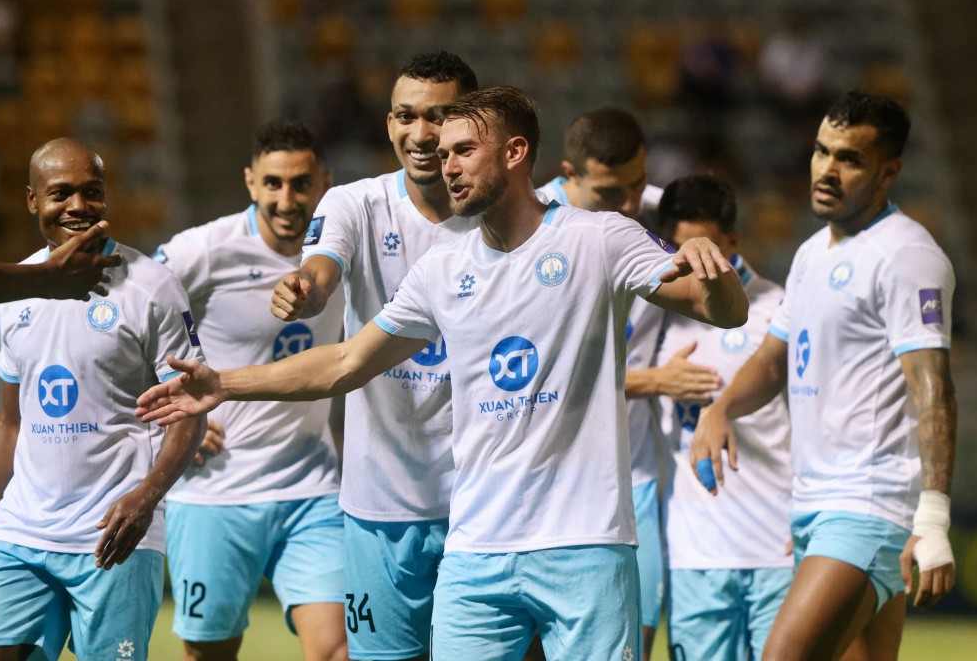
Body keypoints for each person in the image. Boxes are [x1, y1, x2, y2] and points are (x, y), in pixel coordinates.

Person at [136, 86, 749, 660]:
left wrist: (715, 278)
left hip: (584, 545)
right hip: (475, 552)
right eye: (442, 151)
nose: (444, 163)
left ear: (515, 153)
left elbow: (720, 310)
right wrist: (222, 384)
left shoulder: (602, 239)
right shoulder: (441, 272)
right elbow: (346, 362)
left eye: (462, 150)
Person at [690, 91, 957, 661]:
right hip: (814, 503)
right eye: (820, 151)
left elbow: (932, 387)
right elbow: (771, 360)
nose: (827, 170)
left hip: (870, 502)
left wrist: (933, 518)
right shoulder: (812, 254)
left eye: (849, 159)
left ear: (890, 172)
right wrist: (721, 409)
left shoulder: (906, 255)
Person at [268, 50, 478, 661]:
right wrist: (304, 289)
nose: (419, 135)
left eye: (438, 117)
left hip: (485, 504)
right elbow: (322, 269)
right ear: (388, 123)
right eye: (406, 117)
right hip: (381, 498)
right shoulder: (356, 203)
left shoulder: (503, 215)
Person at [0, 138, 207, 661]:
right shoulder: (13, 295)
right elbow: (10, 422)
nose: (78, 206)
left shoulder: (153, 286)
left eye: (92, 192)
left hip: (111, 535)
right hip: (21, 534)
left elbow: (190, 410)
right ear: (32, 200)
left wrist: (147, 497)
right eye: (61, 193)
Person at [153, 120, 347, 661]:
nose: (287, 199)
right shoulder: (205, 250)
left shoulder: (341, 254)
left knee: (340, 651)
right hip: (215, 491)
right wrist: (165, 417)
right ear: (250, 182)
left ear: (325, 182)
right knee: (210, 655)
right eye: (273, 184)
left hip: (310, 486)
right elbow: (125, 325)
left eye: (301, 183)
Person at [537, 107, 723, 660]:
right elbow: (546, 372)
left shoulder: (659, 216)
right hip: (539, 477)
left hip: (629, 477)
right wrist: (656, 380)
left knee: (631, 646)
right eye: (610, 189)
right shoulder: (528, 220)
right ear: (569, 172)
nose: (629, 202)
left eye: (638, 182)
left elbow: (726, 282)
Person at [651, 175, 792, 661]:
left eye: (706, 246)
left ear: (732, 240)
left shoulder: (777, 310)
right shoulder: (652, 315)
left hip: (777, 545)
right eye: (680, 248)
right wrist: (655, 380)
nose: (694, 260)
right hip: (696, 551)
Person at [0, 222, 121, 305]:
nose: (77, 205)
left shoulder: (142, 283)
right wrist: (48, 277)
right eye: (60, 195)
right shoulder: (6, 307)